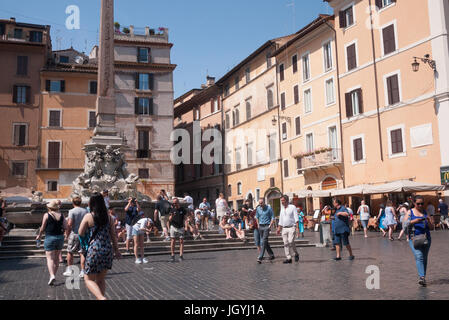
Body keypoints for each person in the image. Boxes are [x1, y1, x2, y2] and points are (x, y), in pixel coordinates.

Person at [78, 194, 121, 300]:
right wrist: (117, 251)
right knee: (101, 279)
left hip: (94, 249)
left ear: (91, 204)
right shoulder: (109, 217)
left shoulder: (89, 216)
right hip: (107, 249)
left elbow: (80, 232)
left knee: (88, 279)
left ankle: (101, 298)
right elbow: (113, 235)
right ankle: (100, 298)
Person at [403, 195, 433, 287]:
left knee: (424, 258)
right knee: (419, 256)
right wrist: (414, 221)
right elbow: (404, 224)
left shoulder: (425, 211)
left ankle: (423, 277)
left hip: (426, 238)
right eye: (418, 204)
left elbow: (432, 227)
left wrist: (428, 220)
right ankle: (422, 277)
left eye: (422, 203)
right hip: (414, 238)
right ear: (414, 203)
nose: (420, 205)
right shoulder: (410, 212)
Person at [36, 200, 67, 285]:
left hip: (50, 237)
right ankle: (53, 275)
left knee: (50, 258)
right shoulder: (62, 215)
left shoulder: (47, 215)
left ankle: (52, 275)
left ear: (49, 207)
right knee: (57, 258)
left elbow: (42, 227)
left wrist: (39, 235)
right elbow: (65, 226)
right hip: (60, 238)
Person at [63, 196, 87, 278]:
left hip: (74, 233)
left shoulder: (71, 211)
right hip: (83, 234)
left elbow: (69, 224)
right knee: (82, 252)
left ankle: (69, 270)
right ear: (80, 202)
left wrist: (67, 234)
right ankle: (83, 270)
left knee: (70, 251)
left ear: (73, 203)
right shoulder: (85, 211)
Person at [277, 195, 299, 264]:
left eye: (283, 200)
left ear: (286, 200)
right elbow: (280, 220)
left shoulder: (292, 207)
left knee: (290, 241)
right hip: (284, 228)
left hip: (291, 227)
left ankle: (296, 253)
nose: (282, 202)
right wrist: (278, 229)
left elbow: (296, 218)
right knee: (285, 243)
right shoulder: (282, 209)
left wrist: (297, 228)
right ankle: (288, 258)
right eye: (281, 201)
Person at [255, 199, 275, 264]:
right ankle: (271, 254)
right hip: (260, 226)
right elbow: (257, 217)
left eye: (261, 203)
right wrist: (258, 224)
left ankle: (260, 257)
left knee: (263, 241)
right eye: (259, 203)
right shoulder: (258, 208)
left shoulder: (269, 208)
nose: (260, 204)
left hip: (267, 226)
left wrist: (270, 225)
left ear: (264, 202)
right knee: (265, 241)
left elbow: (272, 217)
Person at [169, 197, 187, 262]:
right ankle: (172, 255)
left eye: (175, 203)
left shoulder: (183, 209)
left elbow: (185, 218)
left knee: (181, 241)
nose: (174, 204)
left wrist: (186, 226)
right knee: (173, 241)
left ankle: (181, 255)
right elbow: (169, 219)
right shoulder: (172, 210)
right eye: (173, 203)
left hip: (181, 227)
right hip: (173, 227)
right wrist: (172, 216)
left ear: (178, 203)